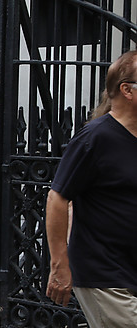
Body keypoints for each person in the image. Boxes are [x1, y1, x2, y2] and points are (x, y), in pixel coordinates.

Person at [46, 50, 137, 326]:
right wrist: (59, 265)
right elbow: (57, 198)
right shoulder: (95, 138)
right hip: (105, 272)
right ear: (127, 90)